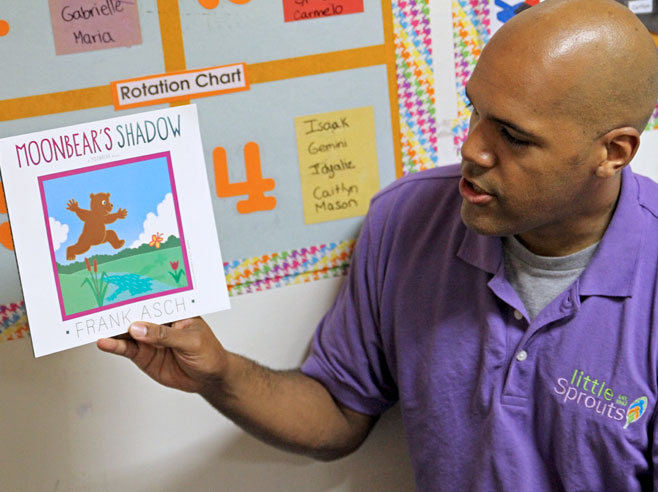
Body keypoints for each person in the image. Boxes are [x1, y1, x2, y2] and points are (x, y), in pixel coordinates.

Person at [98, 0, 658, 489]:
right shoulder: (409, 217)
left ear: (614, 152)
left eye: (513, 136)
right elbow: (338, 411)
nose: (473, 150)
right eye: (475, 112)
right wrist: (217, 373)